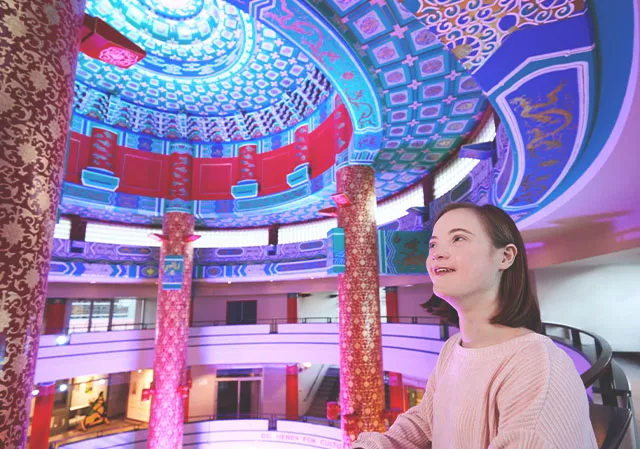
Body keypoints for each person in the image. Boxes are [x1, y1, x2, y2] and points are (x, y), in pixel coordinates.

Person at [353, 203, 597, 449]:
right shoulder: (453, 348)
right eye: (433, 244)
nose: (436, 253)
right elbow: (426, 421)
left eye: (458, 238)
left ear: (505, 256)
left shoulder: (536, 365)